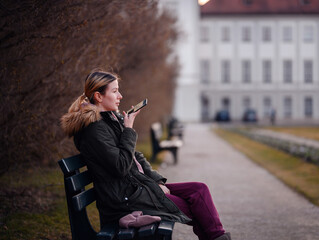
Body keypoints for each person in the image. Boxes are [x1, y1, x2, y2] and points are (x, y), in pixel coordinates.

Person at [61, 70, 231, 240]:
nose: (120, 96)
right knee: (199, 210)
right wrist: (128, 130)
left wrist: (157, 182)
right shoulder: (94, 130)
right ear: (98, 96)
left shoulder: (110, 120)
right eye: (114, 91)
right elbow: (120, 166)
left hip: (136, 188)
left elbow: (135, 157)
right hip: (125, 201)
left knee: (199, 190)